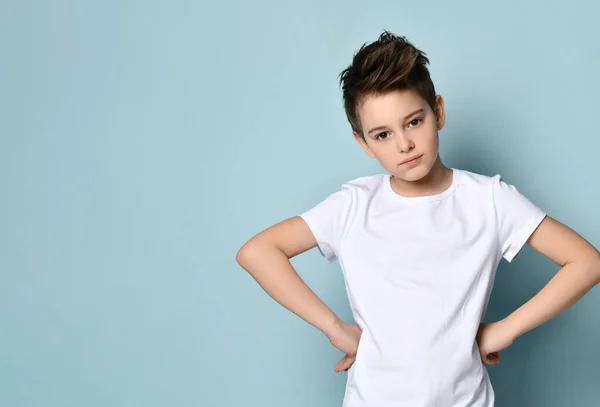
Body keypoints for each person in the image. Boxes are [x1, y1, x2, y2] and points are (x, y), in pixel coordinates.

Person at [235, 31, 600, 406]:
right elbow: (258, 252)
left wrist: (505, 330)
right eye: (382, 134)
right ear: (363, 143)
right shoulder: (354, 206)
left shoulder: (488, 200)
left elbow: (587, 262)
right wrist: (334, 328)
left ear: (437, 111)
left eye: (413, 122)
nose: (404, 145)